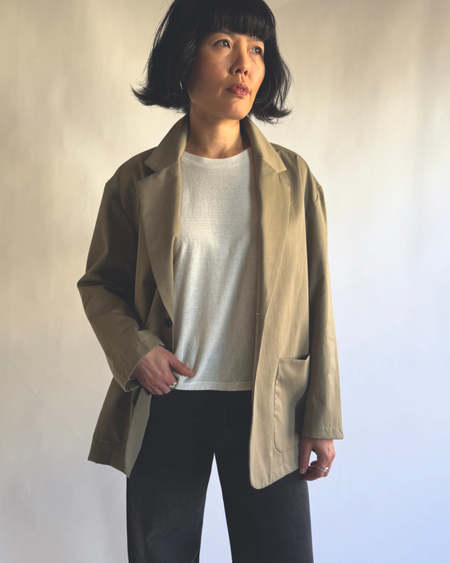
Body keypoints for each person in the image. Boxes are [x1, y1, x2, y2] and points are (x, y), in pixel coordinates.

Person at [76, 0, 344, 561]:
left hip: (270, 404)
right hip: (167, 401)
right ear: (185, 57)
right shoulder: (136, 181)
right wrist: (136, 351)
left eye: (257, 50)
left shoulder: (294, 180)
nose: (244, 64)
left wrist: (322, 417)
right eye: (224, 43)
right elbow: (100, 285)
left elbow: (318, 301)